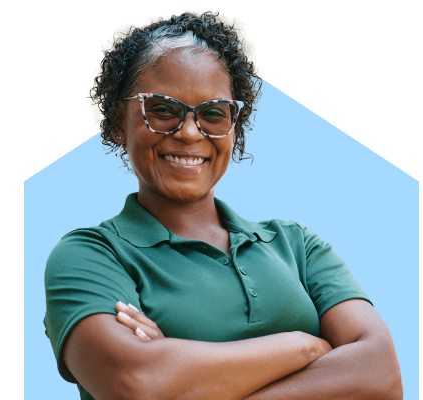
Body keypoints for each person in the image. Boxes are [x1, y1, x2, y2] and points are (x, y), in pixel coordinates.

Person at [44, 11, 403, 400]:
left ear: (235, 126)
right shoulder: (90, 256)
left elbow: (381, 373)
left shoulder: (297, 246)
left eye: (214, 113)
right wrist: (306, 347)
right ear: (118, 120)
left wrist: (186, 377)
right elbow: (135, 384)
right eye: (163, 109)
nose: (189, 132)